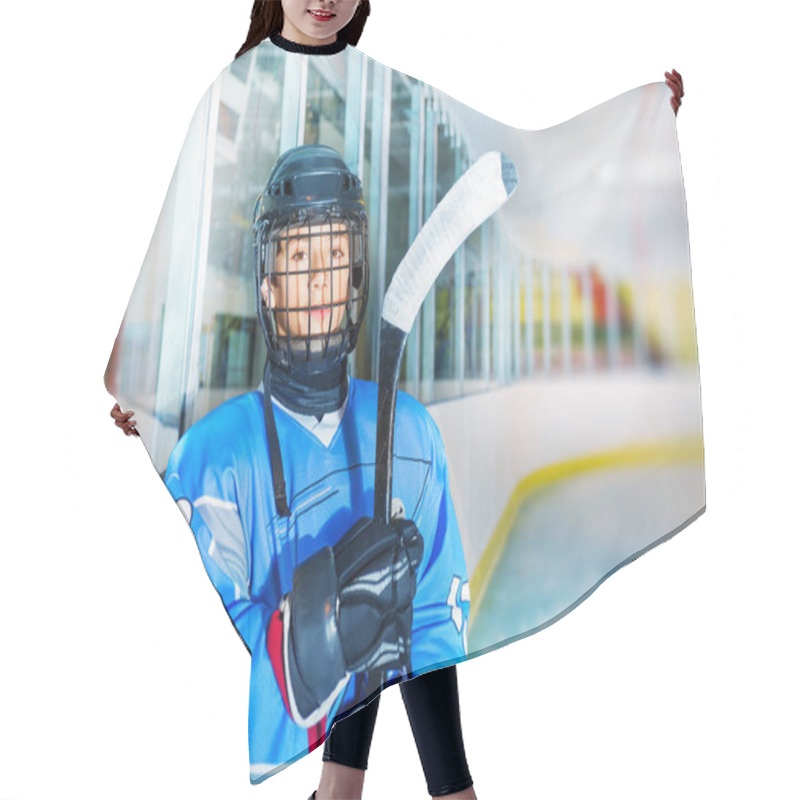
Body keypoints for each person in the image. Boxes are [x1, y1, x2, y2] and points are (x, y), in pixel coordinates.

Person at [109, 3, 685, 798]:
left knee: (388, 581)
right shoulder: (236, 89)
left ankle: (395, 790)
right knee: (354, 579)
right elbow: (186, 240)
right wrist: (141, 377)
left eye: (336, 258)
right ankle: (359, 789)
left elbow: (501, 156)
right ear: (268, 280)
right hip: (263, 442)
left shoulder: (384, 91)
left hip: (368, 437)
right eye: (298, 261)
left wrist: (638, 121)